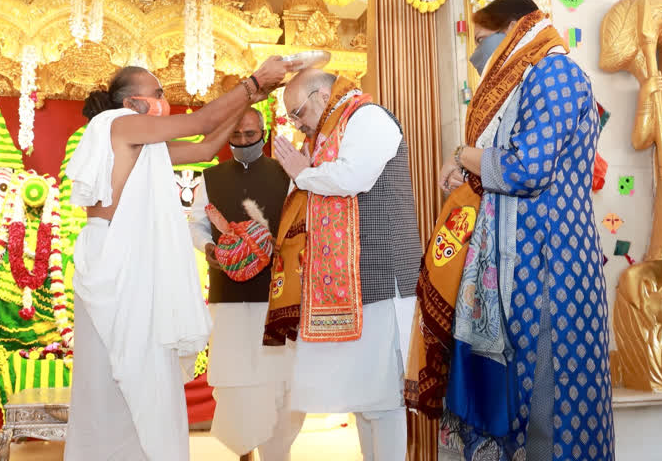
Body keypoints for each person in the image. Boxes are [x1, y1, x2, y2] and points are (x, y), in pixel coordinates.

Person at [63, 57, 294, 461]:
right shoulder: (120, 124)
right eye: (159, 94)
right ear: (133, 102)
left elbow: (205, 147)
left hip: (130, 264)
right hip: (117, 265)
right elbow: (200, 124)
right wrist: (252, 82)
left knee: (146, 373)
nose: (165, 102)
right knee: (117, 378)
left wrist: (251, 98)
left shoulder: (142, 142)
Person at [427, 0, 614, 460]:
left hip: (550, 269)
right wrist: (470, 169)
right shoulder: (531, 78)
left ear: (514, 30)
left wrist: (461, 155)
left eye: (484, 39)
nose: (478, 54)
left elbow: (525, 170)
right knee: (520, 407)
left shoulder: (555, 74)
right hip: (524, 263)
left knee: (548, 410)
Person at [267, 70, 423, 461]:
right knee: (364, 402)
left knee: (384, 401)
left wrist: (302, 173)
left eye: (298, 112)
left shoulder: (368, 117)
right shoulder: (324, 139)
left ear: (322, 95)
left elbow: (354, 176)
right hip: (351, 284)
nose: (297, 122)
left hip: (384, 280)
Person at [189, 107, 305, 461]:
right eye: (236, 136)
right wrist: (211, 248)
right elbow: (194, 225)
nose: (242, 142)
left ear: (265, 133)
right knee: (236, 380)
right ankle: (244, 453)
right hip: (228, 298)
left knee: (279, 382)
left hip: (278, 296)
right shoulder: (209, 178)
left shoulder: (288, 175)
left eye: (250, 135)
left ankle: (277, 453)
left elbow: (302, 225)